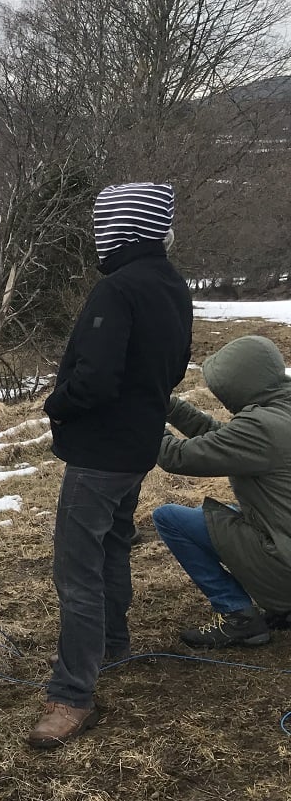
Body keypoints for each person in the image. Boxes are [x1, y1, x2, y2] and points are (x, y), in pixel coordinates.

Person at [30, 182, 193, 749]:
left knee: (77, 568)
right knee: (113, 545)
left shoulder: (118, 289)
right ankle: (114, 642)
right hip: (138, 446)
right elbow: (175, 366)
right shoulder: (172, 285)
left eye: (104, 223)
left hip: (101, 453)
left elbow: (94, 380)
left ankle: (72, 693)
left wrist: (57, 403)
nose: (97, 233)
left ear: (123, 227)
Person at [153, 334, 291, 646]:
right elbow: (222, 439)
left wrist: (146, 418)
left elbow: (176, 456)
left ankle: (238, 616)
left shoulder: (262, 428)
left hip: (284, 560)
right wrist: (167, 404)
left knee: (168, 518)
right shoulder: (280, 410)